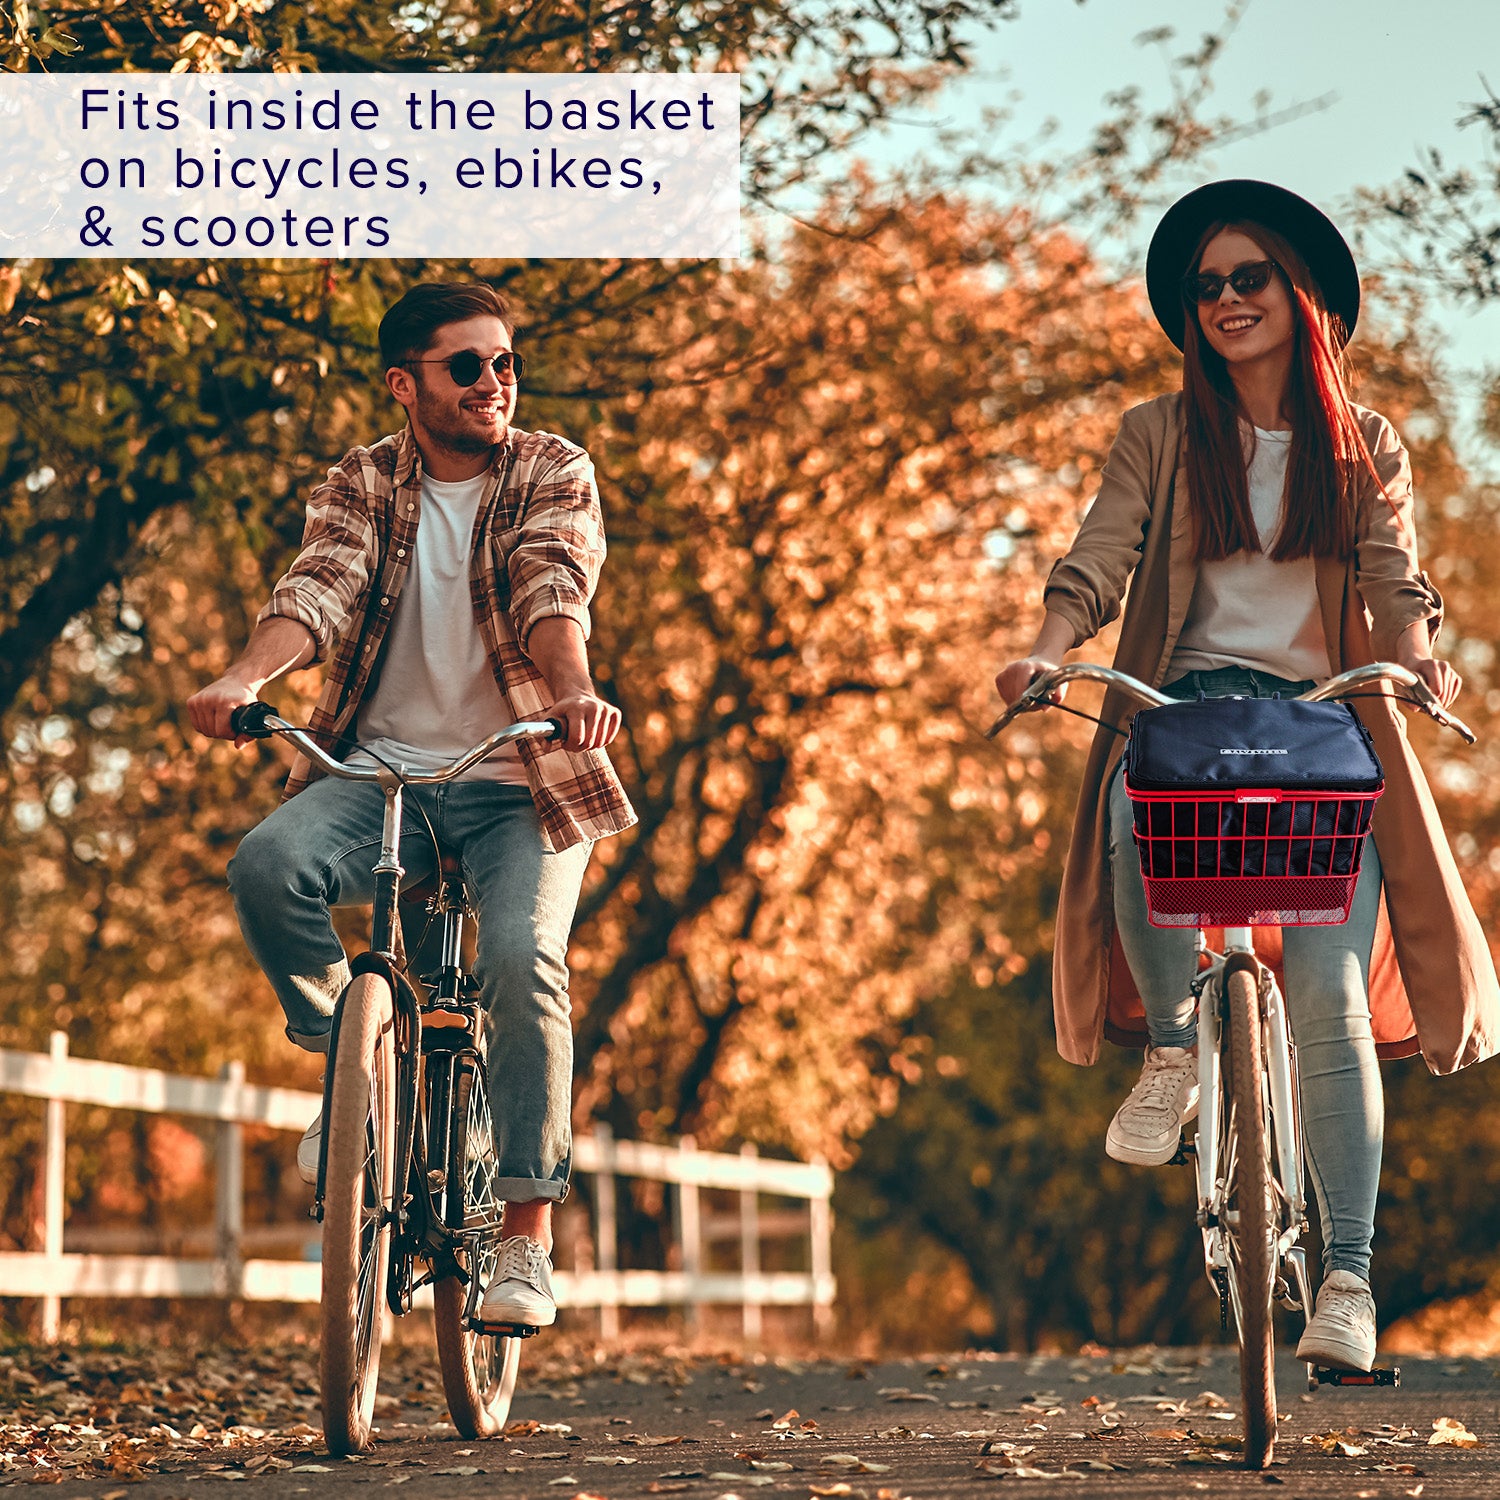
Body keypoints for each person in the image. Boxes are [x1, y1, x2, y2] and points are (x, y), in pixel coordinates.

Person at [994, 180, 1500, 1371]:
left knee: (1327, 994)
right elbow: (1100, 554)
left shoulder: (1364, 444)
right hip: (1196, 702)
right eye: (1205, 287)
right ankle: (1176, 1051)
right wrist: (1051, 650)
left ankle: (1347, 1283)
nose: (1223, 299)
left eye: (1247, 279)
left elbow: (1396, 579)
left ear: (1300, 295)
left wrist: (1421, 664)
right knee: (1139, 780)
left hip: (1325, 727)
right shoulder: (1159, 435)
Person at [187, 281, 635, 1330]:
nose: (495, 384)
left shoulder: (549, 469)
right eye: (468, 366)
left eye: (505, 363)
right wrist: (245, 679)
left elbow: (550, 582)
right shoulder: (365, 480)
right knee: (265, 865)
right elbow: (320, 587)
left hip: (518, 778)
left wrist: (572, 691)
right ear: (405, 384)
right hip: (375, 775)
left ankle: (524, 1238)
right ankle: (356, 1082)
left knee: (522, 961)